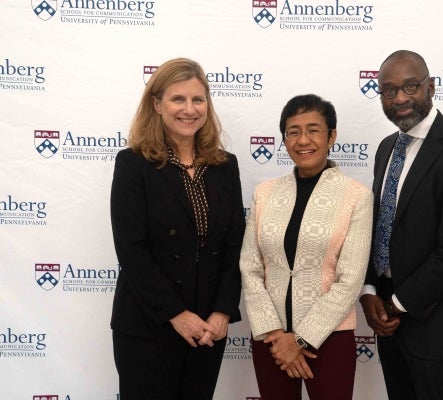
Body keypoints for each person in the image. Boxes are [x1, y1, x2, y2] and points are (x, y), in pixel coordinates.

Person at [109, 58, 245, 400]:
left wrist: (222, 312)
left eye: (198, 100)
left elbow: (234, 244)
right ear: (157, 104)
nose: (189, 109)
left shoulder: (225, 166)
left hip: (207, 329)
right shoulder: (133, 164)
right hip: (148, 325)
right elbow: (131, 249)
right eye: (178, 99)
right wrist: (176, 314)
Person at [360, 50, 443, 400]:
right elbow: (380, 229)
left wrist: (397, 304)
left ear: (430, 87)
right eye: (388, 91)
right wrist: (371, 291)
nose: (400, 98)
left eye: (411, 86)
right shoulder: (386, 148)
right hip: (390, 324)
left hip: (442, 327)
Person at [240, 94, 373, 400]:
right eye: (293, 131)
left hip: (329, 338)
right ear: (284, 140)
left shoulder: (356, 196)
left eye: (314, 129)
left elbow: (350, 280)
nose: (303, 140)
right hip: (269, 340)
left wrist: (299, 339)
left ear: (332, 137)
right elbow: (250, 266)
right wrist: (276, 337)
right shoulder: (265, 193)